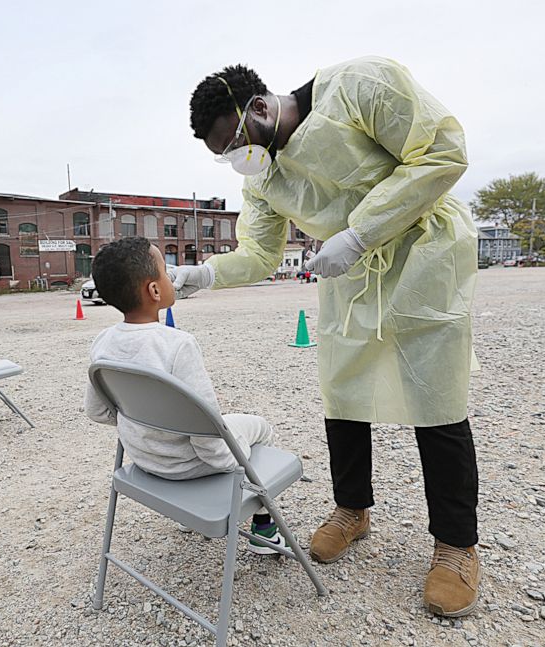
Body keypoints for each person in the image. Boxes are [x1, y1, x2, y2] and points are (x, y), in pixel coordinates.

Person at [181, 57, 481, 616]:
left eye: (233, 142)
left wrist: (361, 231)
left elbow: (442, 151)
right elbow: (260, 253)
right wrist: (205, 273)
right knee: (342, 392)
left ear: (261, 108)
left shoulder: (358, 86)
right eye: (223, 154)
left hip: (423, 258)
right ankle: (352, 509)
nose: (234, 159)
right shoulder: (265, 175)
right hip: (350, 277)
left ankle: (456, 545)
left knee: (436, 397)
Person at [84, 237, 284, 554]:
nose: (173, 275)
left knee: (212, 425)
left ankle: (189, 516)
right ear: (154, 291)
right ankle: (265, 529)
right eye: (166, 270)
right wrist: (232, 462)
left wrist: (147, 423)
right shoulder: (178, 345)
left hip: (145, 461)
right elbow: (209, 438)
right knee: (258, 427)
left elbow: (97, 412)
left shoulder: (103, 342)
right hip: (187, 466)